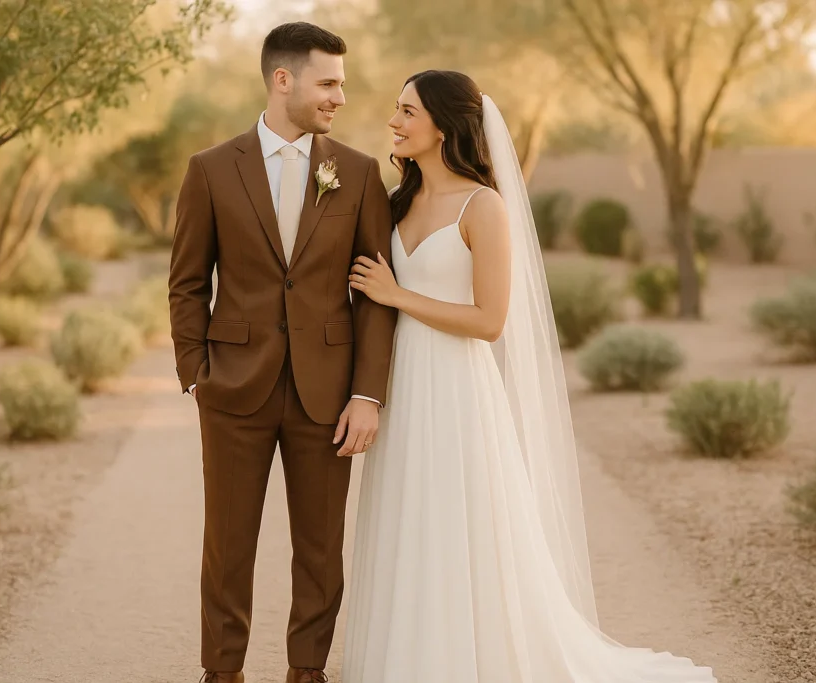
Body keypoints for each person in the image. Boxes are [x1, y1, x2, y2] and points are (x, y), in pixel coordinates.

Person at [341, 69, 718, 683]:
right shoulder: (395, 202)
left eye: (408, 111)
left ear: (443, 126)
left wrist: (397, 295)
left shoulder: (482, 206)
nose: (394, 121)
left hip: (457, 389)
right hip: (402, 386)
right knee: (406, 522)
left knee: (459, 522)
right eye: (397, 110)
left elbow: (490, 320)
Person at [167, 22, 396, 683]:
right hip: (233, 386)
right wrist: (195, 376)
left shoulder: (355, 172)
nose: (340, 98)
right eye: (329, 83)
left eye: (343, 84)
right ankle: (223, 670)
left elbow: (375, 292)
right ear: (282, 80)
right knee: (227, 542)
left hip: (328, 391)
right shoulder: (210, 169)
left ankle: (307, 670)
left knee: (322, 548)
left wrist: (367, 391)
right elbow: (186, 282)